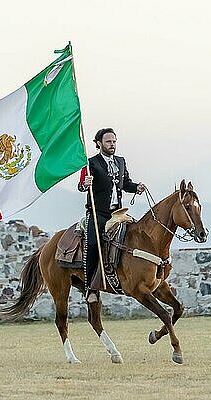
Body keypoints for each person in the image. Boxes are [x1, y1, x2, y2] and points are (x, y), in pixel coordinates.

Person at [78, 127, 146, 302]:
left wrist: (136, 187)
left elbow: (126, 183)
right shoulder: (90, 163)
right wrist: (86, 183)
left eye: (114, 141)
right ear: (99, 143)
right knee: (93, 244)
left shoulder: (121, 161)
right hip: (98, 213)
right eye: (108, 141)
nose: (112, 144)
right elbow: (81, 186)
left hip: (118, 213)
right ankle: (90, 288)